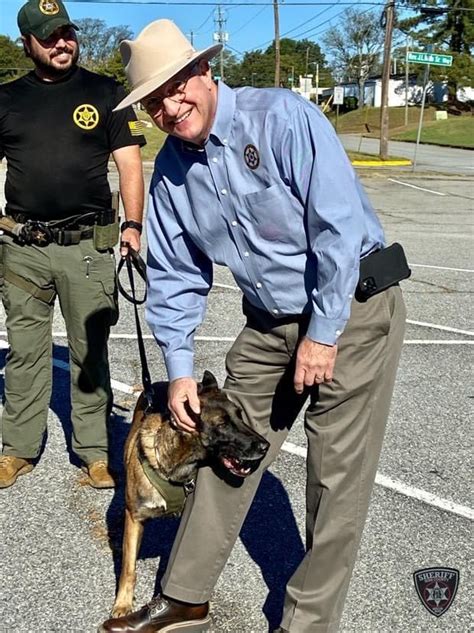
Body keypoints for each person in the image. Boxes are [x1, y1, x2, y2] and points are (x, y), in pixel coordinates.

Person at [100, 19, 407, 633]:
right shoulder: (171, 173)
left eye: (177, 85)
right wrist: (180, 372)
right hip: (268, 323)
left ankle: (307, 624)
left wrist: (323, 334)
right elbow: (177, 273)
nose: (169, 104)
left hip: (350, 307)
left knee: (335, 477)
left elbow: (338, 229)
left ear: (204, 73)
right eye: (154, 99)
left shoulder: (282, 119)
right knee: (219, 445)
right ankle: (186, 594)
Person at [0, 0, 146, 489]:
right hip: (23, 246)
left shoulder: (105, 92)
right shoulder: (6, 99)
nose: (62, 43)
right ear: (28, 43)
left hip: (88, 246)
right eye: (49, 36)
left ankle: (94, 452)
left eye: (67, 33)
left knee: (91, 352)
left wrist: (132, 226)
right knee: (24, 351)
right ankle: (17, 448)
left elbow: (129, 163)